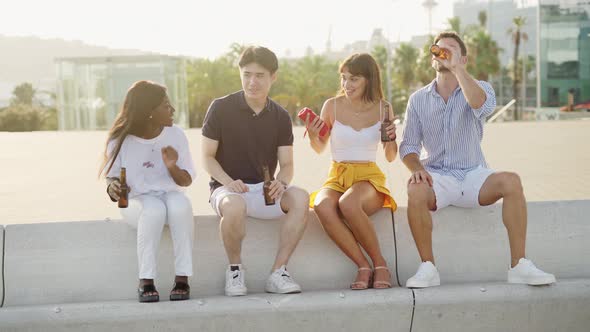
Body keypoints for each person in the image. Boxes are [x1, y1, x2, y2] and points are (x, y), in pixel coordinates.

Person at [399, 31, 556, 288]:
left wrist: (457, 69)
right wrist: (416, 168)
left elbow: (478, 104)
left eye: (450, 49)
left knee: (512, 181)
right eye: (438, 50)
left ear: (464, 59)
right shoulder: (418, 100)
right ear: (432, 59)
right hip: (438, 177)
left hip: (474, 175)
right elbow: (408, 147)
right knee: (414, 188)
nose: (443, 53)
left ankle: (519, 266)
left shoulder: (481, 88)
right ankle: (428, 268)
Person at [201, 46, 309, 296]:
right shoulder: (220, 108)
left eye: (260, 75)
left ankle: (278, 272)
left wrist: (281, 182)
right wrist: (229, 182)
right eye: (247, 74)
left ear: (273, 77)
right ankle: (235, 272)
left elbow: (288, 164)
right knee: (235, 205)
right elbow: (207, 157)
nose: (252, 82)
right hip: (226, 189)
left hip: (265, 192)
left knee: (301, 197)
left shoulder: (281, 116)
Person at [306, 53, 398, 290]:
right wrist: (314, 133)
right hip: (337, 175)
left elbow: (390, 156)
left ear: (369, 79)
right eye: (344, 79)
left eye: (354, 79)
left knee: (348, 204)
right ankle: (363, 265)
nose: (347, 85)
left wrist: (391, 139)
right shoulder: (332, 106)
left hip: (368, 178)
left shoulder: (383, 108)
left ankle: (380, 264)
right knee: (322, 205)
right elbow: (319, 148)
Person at [100, 80, 196, 302]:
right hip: (137, 200)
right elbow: (111, 178)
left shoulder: (176, 135)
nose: (172, 110)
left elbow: (186, 181)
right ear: (149, 112)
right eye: (165, 105)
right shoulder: (119, 139)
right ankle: (146, 281)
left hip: (170, 195)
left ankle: (182, 279)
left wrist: (172, 166)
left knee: (181, 205)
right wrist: (113, 187)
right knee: (153, 210)